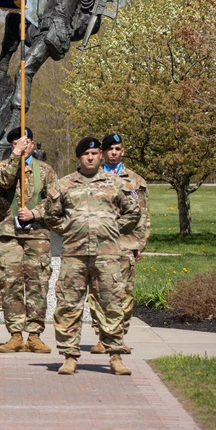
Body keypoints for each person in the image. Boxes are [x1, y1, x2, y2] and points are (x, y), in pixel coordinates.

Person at [18, 137, 141, 375]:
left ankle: (115, 355)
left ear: (100, 155)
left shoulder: (115, 183)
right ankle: (69, 356)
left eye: (95, 153)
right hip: (74, 255)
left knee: (111, 304)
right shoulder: (64, 185)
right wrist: (69, 228)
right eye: (87, 154)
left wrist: (113, 227)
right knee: (68, 305)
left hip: (107, 255)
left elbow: (133, 211)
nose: (92, 157)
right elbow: (52, 214)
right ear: (79, 157)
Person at [0, 127, 58, 353]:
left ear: (33, 144)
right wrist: (15, 155)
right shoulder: (2, 167)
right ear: (12, 146)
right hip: (10, 235)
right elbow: (5, 182)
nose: (24, 146)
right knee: (10, 284)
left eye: (27, 142)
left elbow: (54, 201)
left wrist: (34, 214)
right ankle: (15, 334)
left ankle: (35, 335)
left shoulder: (45, 171)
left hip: (36, 235)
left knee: (37, 283)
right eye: (18, 143)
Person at [89, 132, 150, 354]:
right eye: (110, 150)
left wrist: (139, 244)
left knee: (124, 292)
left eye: (118, 149)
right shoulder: (92, 177)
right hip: (97, 245)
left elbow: (143, 215)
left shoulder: (134, 181)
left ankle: (118, 336)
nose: (114, 153)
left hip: (124, 245)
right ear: (103, 152)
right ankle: (101, 336)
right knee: (98, 292)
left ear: (122, 151)